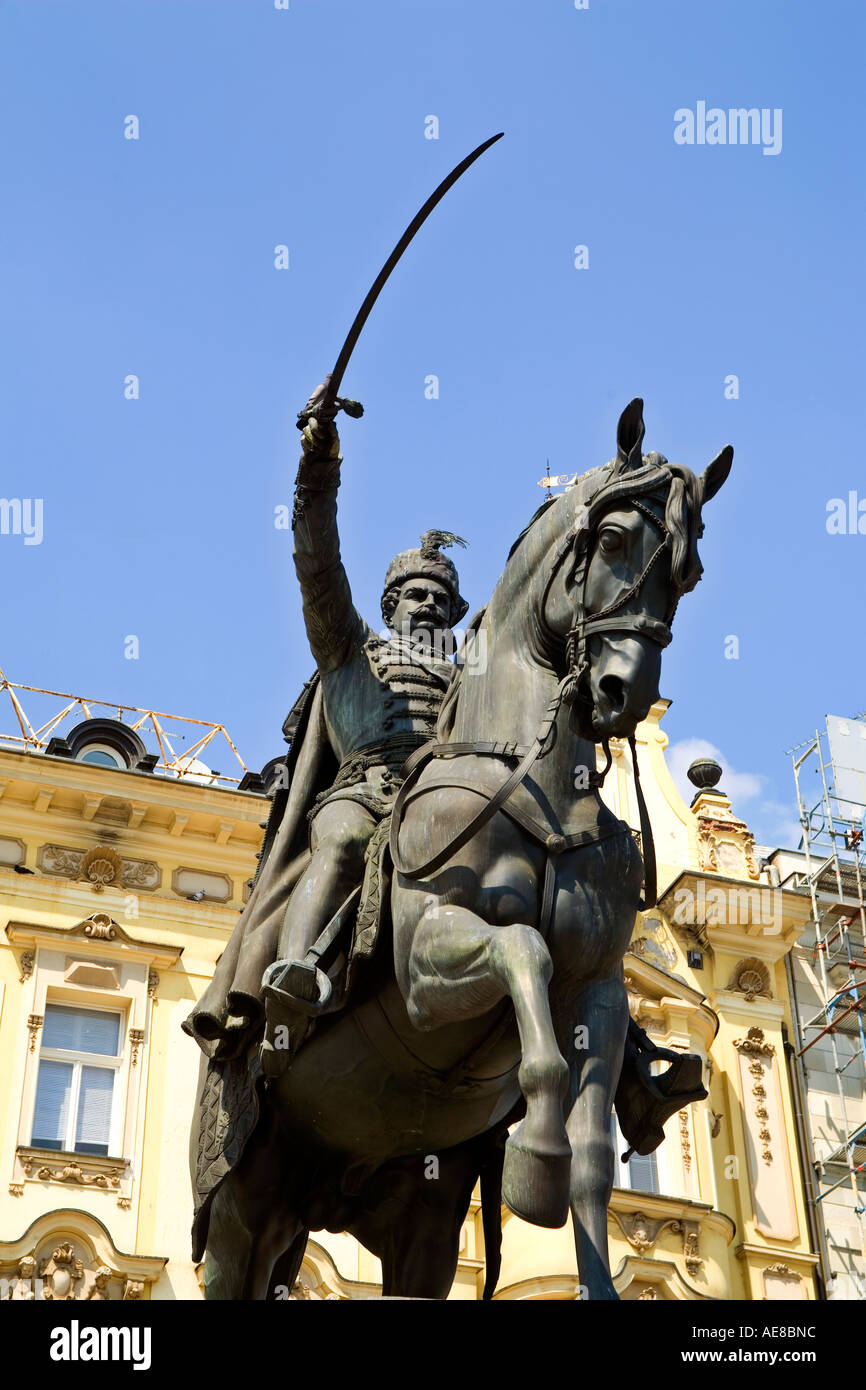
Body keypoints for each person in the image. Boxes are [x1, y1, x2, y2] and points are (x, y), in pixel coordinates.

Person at [259, 387, 469, 1073]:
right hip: (367, 789)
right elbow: (317, 567)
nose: (431, 606)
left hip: (447, 806)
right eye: (417, 595)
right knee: (346, 838)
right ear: (389, 604)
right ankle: (292, 978)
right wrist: (320, 466)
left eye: (443, 600)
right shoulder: (351, 648)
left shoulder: (475, 675)